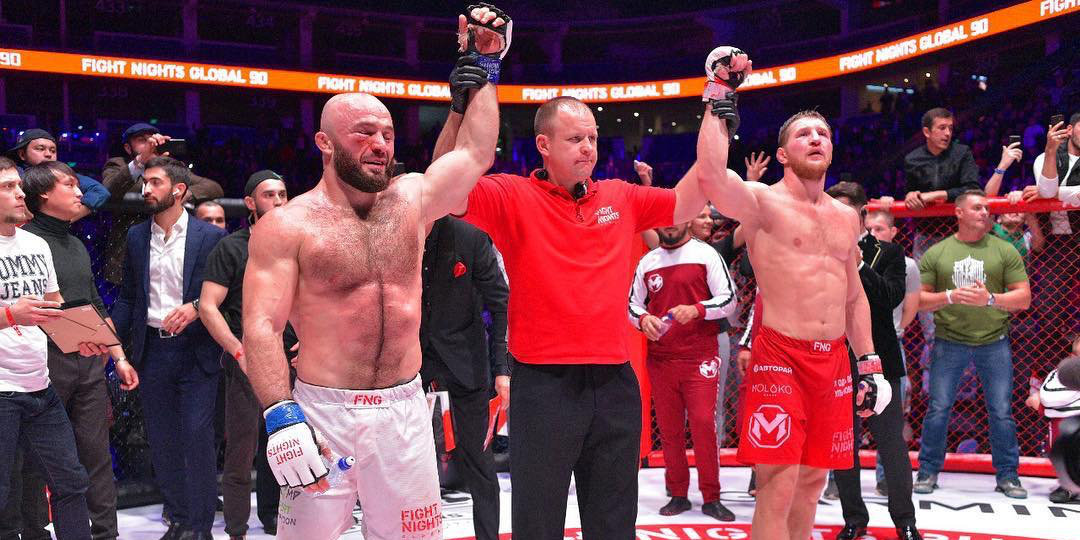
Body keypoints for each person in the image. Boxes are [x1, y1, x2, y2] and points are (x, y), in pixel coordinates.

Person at [438, 45, 748, 538]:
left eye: (593, 138)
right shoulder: (511, 194)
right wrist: (462, 105)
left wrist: (717, 102)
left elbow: (692, 196)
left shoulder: (620, 196)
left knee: (614, 524)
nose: (588, 147)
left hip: (615, 382)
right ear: (543, 144)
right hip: (543, 385)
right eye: (575, 138)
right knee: (537, 525)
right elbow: (444, 187)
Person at [241, 6, 508, 539]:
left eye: (386, 134)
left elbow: (475, 153)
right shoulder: (287, 225)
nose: (380, 145)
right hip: (323, 410)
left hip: (404, 409)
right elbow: (262, 326)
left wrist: (486, 64)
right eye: (364, 133)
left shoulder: (411, 200)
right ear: (325, 143)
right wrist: (279, 413)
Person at [697, 110, 892, 540]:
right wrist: (717, 101)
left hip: (833, 361)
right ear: (783, 154)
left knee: (811, 484)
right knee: (777, 486)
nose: (816, 138)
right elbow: (711, 177)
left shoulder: (845, 216)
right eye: (804, 134)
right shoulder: (761, 201)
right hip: (781, 356)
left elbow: (853, 296)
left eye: (823, 132)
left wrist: (869, 363)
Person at [0, 162, 139, 540]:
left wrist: (90, 341)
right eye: (8, 186)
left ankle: (100, 534)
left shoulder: (39, 245)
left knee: (75, 477)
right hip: (10, 382)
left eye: (19, 185)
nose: (20, 193)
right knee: (9, 486)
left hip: (44, 378)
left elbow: (60, 307)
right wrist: (11, 314)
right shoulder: (36, 237)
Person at [110, 156, 228, 540]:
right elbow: (129, 297)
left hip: (196, 351)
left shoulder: (209, 236)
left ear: (178, 190)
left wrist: (195, 307)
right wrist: (108, 336)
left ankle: (201, 527)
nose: (146, 190)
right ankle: (178, 520)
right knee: (162, 442)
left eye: (155, 182)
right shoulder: (135, 236)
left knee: (197, 437)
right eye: (145, 182)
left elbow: (228, 295)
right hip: (153, 351)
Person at [914, 190, 1031, 499]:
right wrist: (950, 296)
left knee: (1001, 410)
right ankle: (927, 471)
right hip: (948, 340)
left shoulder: (1004, 250)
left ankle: (1008, 475)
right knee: (938, 408)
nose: (984, 213)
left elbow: (1024, 298)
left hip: (994, 341)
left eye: (986, 208)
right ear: (959, 212)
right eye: (977, 208)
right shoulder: (938, 252)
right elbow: (918, 301)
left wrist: (990, 299)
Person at [198, 170, 290, 539]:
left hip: (289, 357)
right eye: (269, 195)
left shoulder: (296, 244)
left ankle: (277, 517)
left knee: (287, 442)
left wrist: (307, 339)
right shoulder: (232, 248)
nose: (278, 201)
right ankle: (236, 529)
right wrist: (237, 351)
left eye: (283, 194)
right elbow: (208, 306)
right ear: (250, 202)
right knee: (241, 449)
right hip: (246, 359)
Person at [825, 182, 919, 540]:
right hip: (834, 358)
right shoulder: (819, 252)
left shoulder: (890, 253)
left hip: (880, 359)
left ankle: (905, 522)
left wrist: (859, 264)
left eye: (845, 210)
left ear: (862, 214)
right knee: (844, 444)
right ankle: (854, 519)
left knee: (891, 443)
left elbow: (890, 297)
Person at [628, 218, 737, 521]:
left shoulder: (705, 254)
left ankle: (712, 496)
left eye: (675, 220)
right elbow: (632, 305)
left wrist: (698, 310)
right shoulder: (648, 261)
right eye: (664, 221)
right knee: (669, 429)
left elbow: (729, 299)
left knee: (703, 425)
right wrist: (643, 319)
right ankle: (678, 494)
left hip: (700, 356)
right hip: (661, 358)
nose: (670, 226)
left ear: (687, 220)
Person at [419, 215, 509, 540]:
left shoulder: (471, 238)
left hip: (466, 359)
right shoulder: (394, 231)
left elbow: (500, 303)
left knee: (480, 462)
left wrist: (502, 369)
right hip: (410, 359)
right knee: (404, 461)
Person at [100, 123, 223, 284]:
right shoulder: (118, 165)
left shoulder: (169, 169)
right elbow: (107, 190)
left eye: (152, 140)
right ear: (128, 148)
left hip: (169, 251)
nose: (149, 145)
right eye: (142, 140)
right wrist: (140, 162)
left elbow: (213, 187)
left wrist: (184, 194)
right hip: (127, 253)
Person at [5, 129, 110, 219]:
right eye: (40, 149)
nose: (48, 154)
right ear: (22, 154)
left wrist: (68, 219)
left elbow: (100, 191)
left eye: (53, 150)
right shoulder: (12, 175)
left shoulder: (61, 175)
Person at [1026, 334, 1080, 503]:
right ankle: (1070, 485)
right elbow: (1049, 398)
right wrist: (1041, 403)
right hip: (1066, 425)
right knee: (1063, 428)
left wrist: (1041, 404)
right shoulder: (1059, 374)